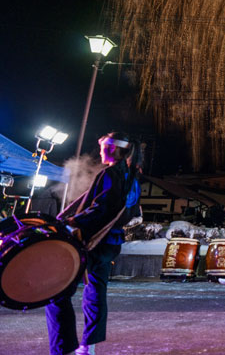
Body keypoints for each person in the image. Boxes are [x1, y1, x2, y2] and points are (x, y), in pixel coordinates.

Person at [46, 132, 143, 355]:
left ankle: (63, 348)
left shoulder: (110, 173)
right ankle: (88, 346)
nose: (100, 151)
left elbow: (102, 209)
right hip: (112, 243)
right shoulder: (133, 176)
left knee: (57, 292)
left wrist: (72, 221)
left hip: (94, 242)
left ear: (113, 149)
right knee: (95, 291)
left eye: (103, 147)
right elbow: (126, 211)